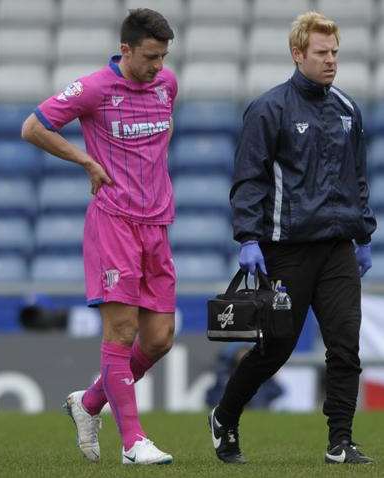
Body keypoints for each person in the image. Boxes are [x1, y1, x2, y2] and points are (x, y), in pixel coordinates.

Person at [208, 11, 376, 465]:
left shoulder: (347, 109)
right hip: (287, 249)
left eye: (335, 52)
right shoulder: (269, 109)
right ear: (297, 54)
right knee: (275, 348)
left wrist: (363, 235)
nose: (331, 61)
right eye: (321, 53)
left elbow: (357, 178)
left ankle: (339, 441)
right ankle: (225, 415)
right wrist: (248, 238)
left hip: (338, 248)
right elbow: (249, 179)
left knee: (345, 345)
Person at [22, 8, 177, 465]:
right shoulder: (93, 88)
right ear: (125, 49)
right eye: (150, 56)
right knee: (123, 330)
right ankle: (132, 443)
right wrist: (87, 162)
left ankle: (88, 404)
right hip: (114, 223)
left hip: (158, 224)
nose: (158, 67)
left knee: (160, 338)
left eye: (164, 57)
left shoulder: (167, 86)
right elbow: (34, 127)